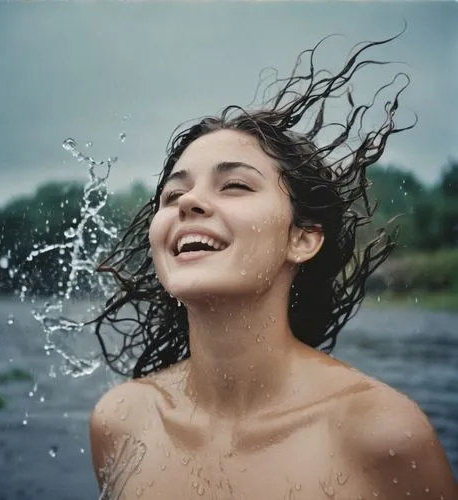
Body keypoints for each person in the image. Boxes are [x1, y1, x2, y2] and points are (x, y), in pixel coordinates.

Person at [88, 34, 457, 500]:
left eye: (236, 186)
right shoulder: (120, 421)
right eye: (173, 195)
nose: (190, 204)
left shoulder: (382, 436)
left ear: (302, 239)